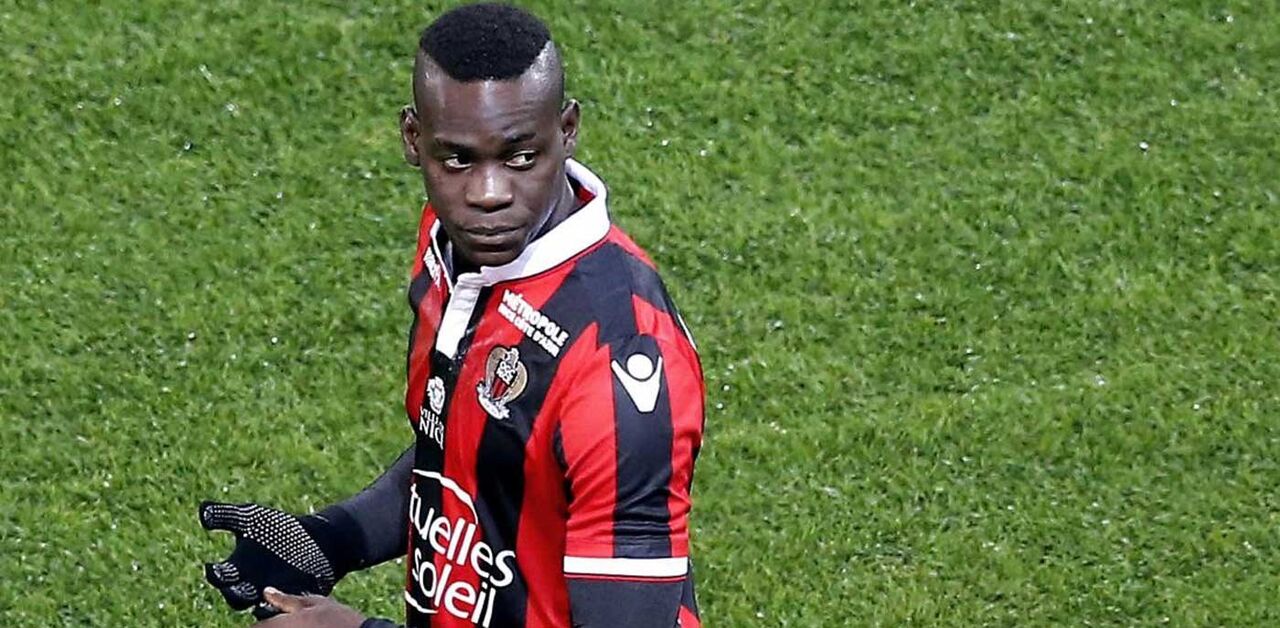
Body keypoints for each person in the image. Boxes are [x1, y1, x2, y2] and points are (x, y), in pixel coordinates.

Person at [197, 4, 705, 627]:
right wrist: (333, 539)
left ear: (567, 129)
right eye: (458, 160)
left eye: (521, 157)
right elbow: (465, 455)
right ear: (414, 140)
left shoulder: (619, 358)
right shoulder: (452, 246)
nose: (488, 195)